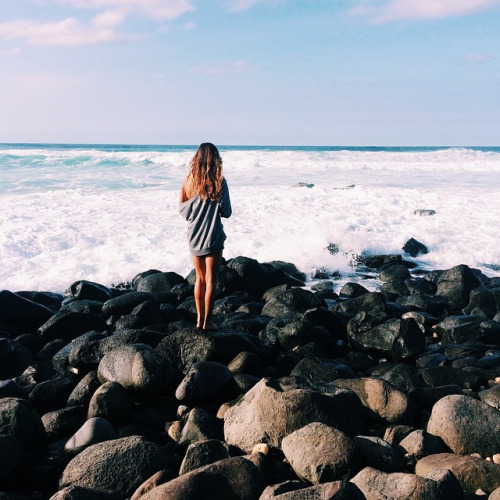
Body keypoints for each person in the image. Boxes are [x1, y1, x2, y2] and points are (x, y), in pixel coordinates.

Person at [179, 143, 232, 330]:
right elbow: (226, 212)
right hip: (213, 236)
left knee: (199, 280)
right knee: (211, 281)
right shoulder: (219, 181)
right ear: (215, 159)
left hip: (194, 236)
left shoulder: (188, 181)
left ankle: (198, 320)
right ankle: (207, 322)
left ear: (197, 157)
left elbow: (183, 211)